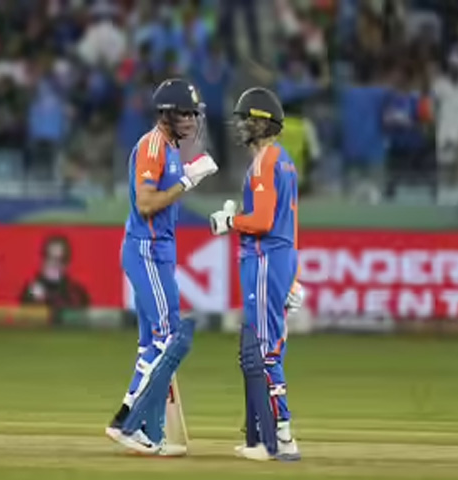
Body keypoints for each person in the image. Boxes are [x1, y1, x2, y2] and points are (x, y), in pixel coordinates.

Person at [105, 78, 218, 456]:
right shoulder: (152, 146)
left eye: (194, 114)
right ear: (167, 114)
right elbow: (146, 204)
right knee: (168, 339)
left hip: (158, 252)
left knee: (150, 343)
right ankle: (126, 421)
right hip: (147, 250)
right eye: (185, 113)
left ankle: (148, 432)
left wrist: (185, 174)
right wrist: (187, 180)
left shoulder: (169, 149)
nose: (192, 120)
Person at [209, 87, 304, 461]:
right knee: (266, 345)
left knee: (264, 349)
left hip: (265, 259)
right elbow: (287, 223)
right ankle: (264, 433)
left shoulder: (266, 162)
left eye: (246, 118)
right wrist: (293, 274)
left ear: (264, 123)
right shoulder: (284, 160)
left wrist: (230, 221)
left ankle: (280, 437)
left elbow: (263, 221)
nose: (240, 125)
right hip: (279, 258)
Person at [19, 235, 90, 310]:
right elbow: (26, 314)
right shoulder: (31, 289)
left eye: (59, 259)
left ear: (67, 264)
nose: (53, 264)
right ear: (42, 260)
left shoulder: (77, 292)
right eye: (49, 257)